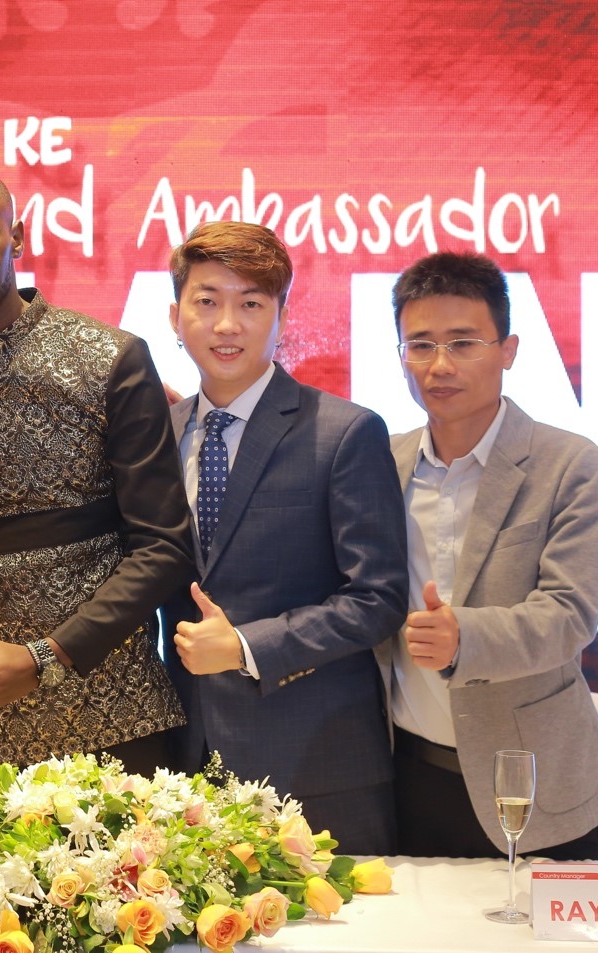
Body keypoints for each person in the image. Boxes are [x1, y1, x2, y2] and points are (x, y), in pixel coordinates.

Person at [0, 165, 193, 789]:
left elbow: (164, 548)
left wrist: (46, 656)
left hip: (115, 706)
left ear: (17, 238)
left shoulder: (110, 359)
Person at [159, 221, 406, 856]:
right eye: (207, 301)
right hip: (189, 767)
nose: (227, 325)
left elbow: (377, 599)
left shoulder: (344, 433)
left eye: (251, 304)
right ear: (175, 316)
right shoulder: (158, 435)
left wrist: (246, 646)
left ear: (282, 317)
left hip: (316, 765)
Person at [381, 251, 598, 859]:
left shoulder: (570, 464)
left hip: (531, 780)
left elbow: (569, 615)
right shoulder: (381, 462)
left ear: (508, 350)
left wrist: (463, 637)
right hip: (405, 776)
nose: (440, 365)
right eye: (421, 345)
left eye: (464, 343)